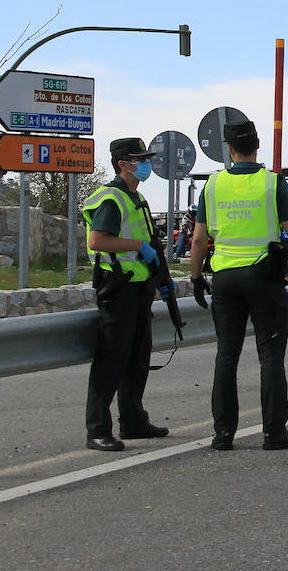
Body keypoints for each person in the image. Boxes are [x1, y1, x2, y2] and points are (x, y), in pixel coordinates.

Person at [190, 120, 288, 451]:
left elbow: (200, 238)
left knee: (226, 355)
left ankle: (223, 434)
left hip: (225, 280)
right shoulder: (273, 184)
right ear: (257, 146)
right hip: (264, 278)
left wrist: (195, 277)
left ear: (229, 150)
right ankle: (274, 432)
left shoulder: (214, 185)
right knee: (271, 356)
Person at [82, 137, 171, 451]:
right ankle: (98, 430)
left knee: (137, 357)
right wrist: (138, 247)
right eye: (140, 159)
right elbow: (98, 241)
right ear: (123, 164)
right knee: (111, 360)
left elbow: (150, 241)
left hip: (139, 288)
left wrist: (162, 278)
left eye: (146, 158)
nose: (146, 164)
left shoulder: (137, 198)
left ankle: (133, 421)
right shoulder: (111, 199)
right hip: (117, 289)